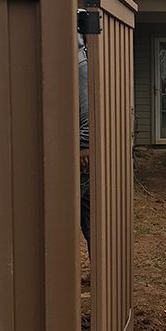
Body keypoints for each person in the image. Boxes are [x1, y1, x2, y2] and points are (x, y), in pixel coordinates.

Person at [78, 32, 90, 251]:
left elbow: (86, 108)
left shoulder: (80, 65)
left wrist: (84, 145)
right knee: (87, 215)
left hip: (81, 154)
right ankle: (98, 268)